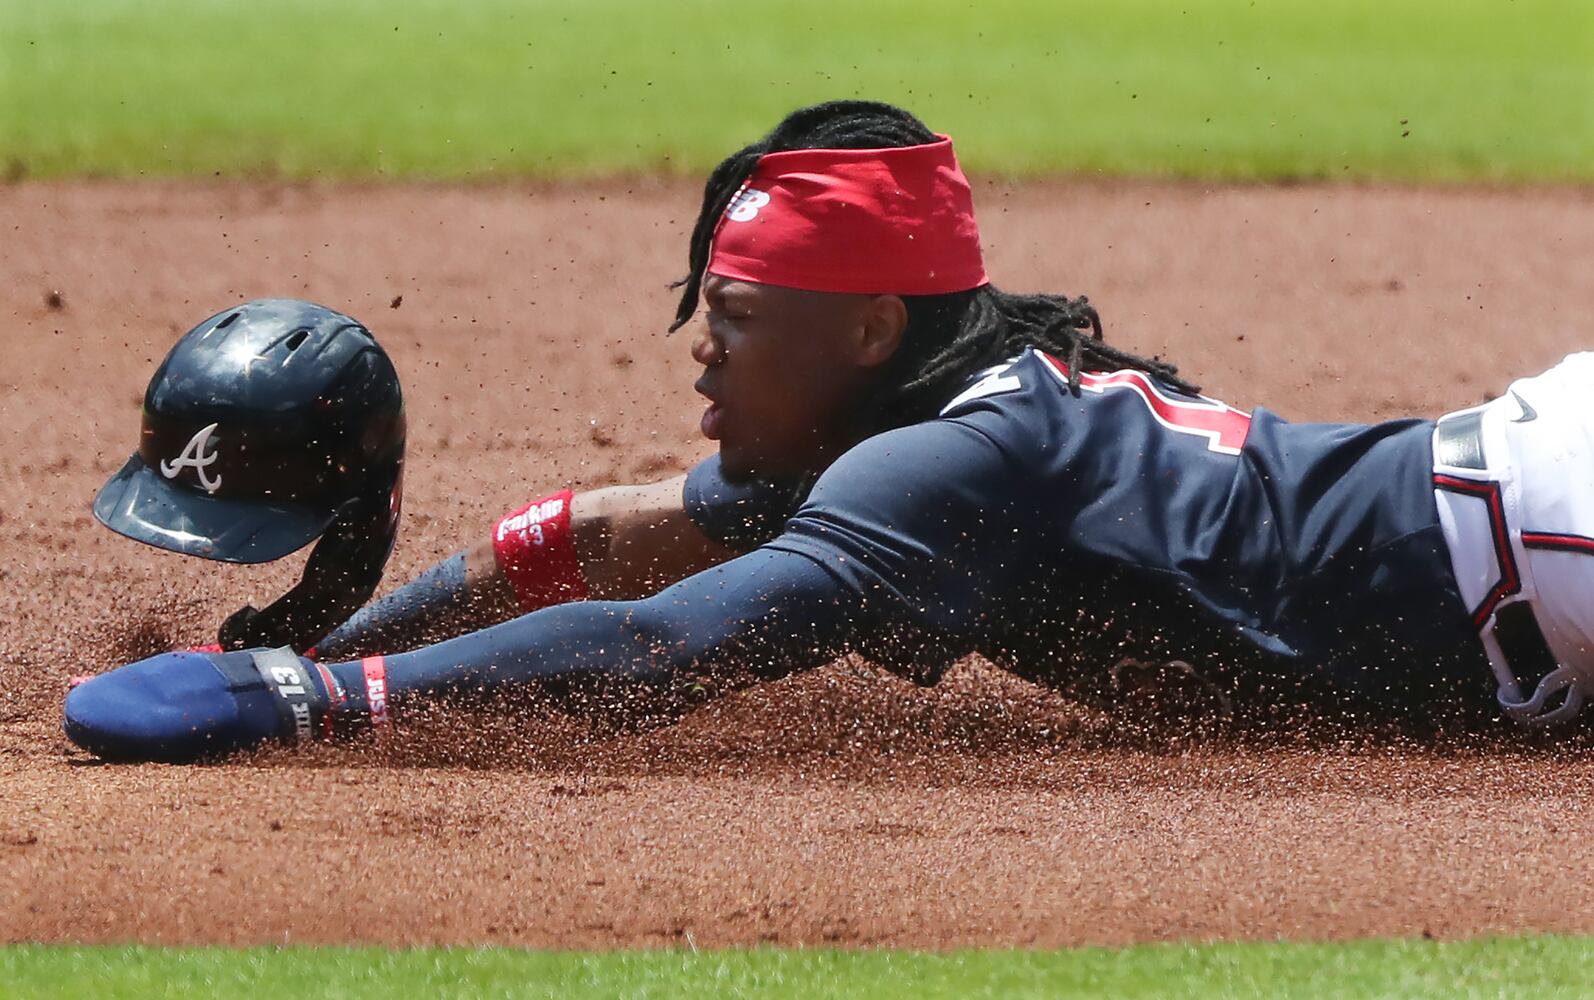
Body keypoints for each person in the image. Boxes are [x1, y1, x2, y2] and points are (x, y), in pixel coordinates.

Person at [63, 100, 1594, 763]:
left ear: (867, 331)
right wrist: (346, 640)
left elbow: (660, 646)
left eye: (731, 317)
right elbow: (605, 539)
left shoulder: (951, 460)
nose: (696, 353)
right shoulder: (932, 421)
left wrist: (309, 705)